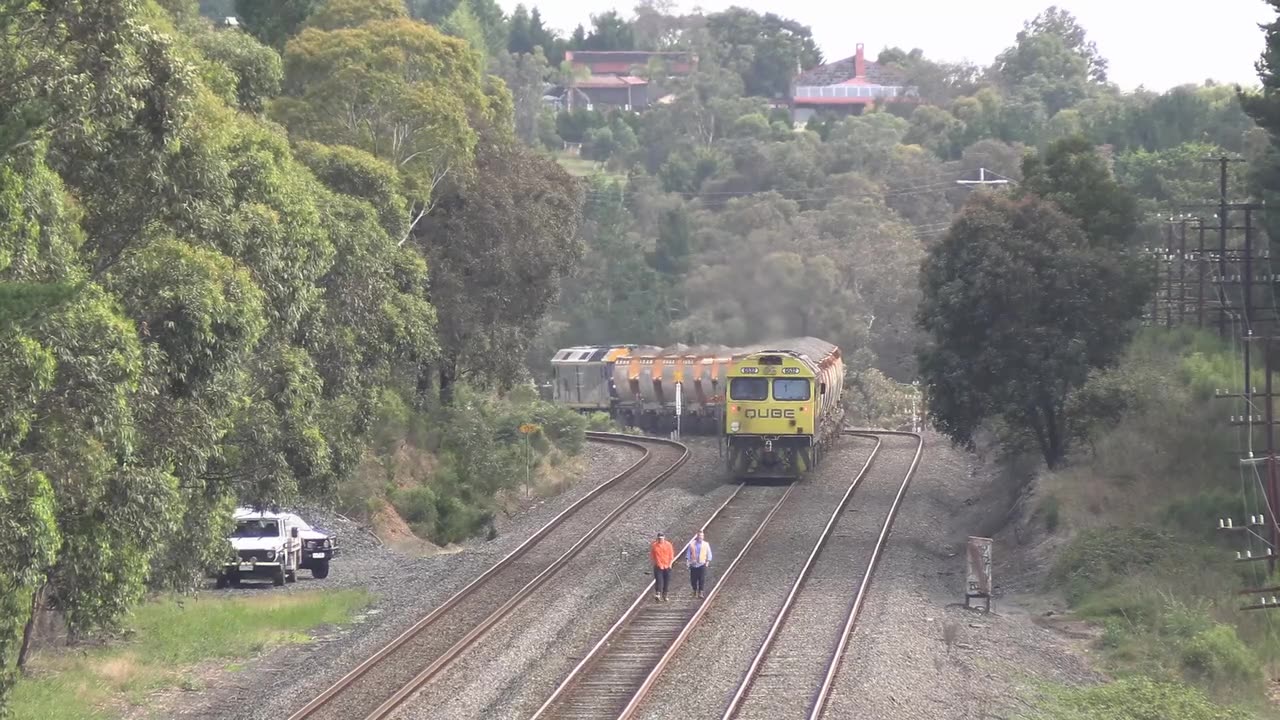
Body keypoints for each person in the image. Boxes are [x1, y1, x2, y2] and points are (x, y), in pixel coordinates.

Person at [686, 529, 712, 598]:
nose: (700, 537)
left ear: (703, 537)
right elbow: (688, 553)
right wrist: (688, 561)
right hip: (693, 564)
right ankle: (694, 590)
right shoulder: (692, 544)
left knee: (701, 579)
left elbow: (709, 553)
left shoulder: (706, 544)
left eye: (701, 536)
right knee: (693, 579)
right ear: (697, 536)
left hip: (702, 564)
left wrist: (708, 561)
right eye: (699, 536)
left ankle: (701, 592)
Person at [650, 532, 674, 601]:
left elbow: (671, 554)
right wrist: (655, 563)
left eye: (661, 538)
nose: (660, 540)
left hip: (667, 565)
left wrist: (670, 564)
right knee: (659, 580)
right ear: (657, 538)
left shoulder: (668, 545)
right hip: (658, 565)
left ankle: (665, 594)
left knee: (666, 581)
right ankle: (658, 593)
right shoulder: (654, 546)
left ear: (664, 538)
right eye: (659, 538)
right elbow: (652, 556)